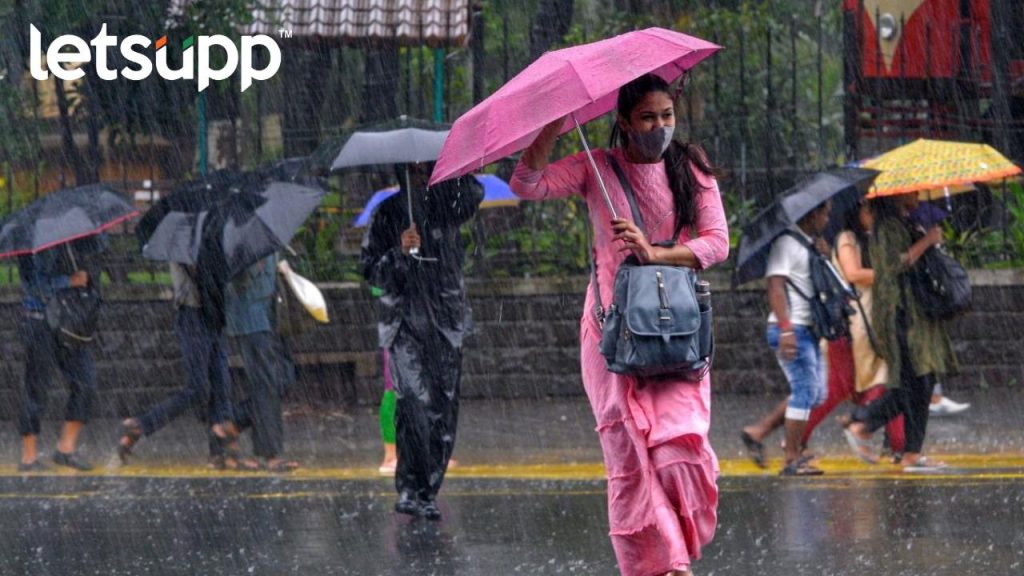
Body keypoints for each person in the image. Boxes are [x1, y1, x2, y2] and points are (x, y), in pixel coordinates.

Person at [511, 73, 728, 576]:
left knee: (680, 445)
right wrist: (553, 126)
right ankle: (665, 563)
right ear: (624, 123)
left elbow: (716, 243)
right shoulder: (596, 167)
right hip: (611, 333)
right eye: (648, 118)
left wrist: (656, 252)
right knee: (629, 456)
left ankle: (677, 548)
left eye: (666, 116)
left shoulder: (690, 168)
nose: (660, 127)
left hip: (676, 331)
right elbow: (526, 183)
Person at [360, 161, 483, 521]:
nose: (418, 174)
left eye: (425, 168)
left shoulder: (450, 205)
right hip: (403, 321)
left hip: (445, 320)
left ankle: (427, 491)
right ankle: (409, 486)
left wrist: (451, 169)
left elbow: (474, 193)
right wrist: (399, 252)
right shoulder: (387, 213)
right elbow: (370, 270)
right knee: (411, 401)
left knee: (442, 409)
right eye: (411, 169)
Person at [842, 193, 959, 472]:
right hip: (901, 316)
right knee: (913, 381)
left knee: (923, 379)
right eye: (912, 192)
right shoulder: (887, 227)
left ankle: (911, 452)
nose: (917, 196)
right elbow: (891, 265)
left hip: (915, 315)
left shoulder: (903, 222)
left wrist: (923, 236)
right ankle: (863, 422)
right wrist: (926, 241)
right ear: (897, 195)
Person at [799, 200, 905, 462]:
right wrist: (893, 272)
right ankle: (797, 439)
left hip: (871, 322)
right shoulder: (847, 238)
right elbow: (854, 273)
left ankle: (895, 444)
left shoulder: (871, 240)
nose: (873, 216)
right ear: (858, 213)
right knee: (872, 383)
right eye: (869, 211)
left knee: (877, 384)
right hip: (857, 325)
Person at [739, 200, 833, 477]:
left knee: (816, 394)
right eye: (825, 213)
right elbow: (775, 287)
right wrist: (786, 329)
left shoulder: (810, 244)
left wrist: (823, 256)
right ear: (812, 212)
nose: (827, 219)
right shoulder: (786, 243)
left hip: (810, 329)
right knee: (805, 392)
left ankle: (758, 431)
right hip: (793, 329)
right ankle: (791, 458)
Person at [117, 262, 237, 465]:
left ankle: (217, 453)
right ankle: (142, 425)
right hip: (193, 313)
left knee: (221, 384)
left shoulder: (210, 235)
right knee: (197, 389)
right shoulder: (184, 238)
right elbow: (198, 272)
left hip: (214, 313)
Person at [15, 238, 103, 471]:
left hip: (67, 322)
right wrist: (69, 281)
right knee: (37, 388)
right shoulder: (32, 242)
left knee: (86, 382)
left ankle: (65, 449)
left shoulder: (69, 240)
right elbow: (34, 286)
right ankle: (29, 457)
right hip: (39, 320)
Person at [208, 253, 300, 472]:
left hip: (273, 315)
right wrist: (252, 267)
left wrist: (282, 266)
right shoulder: (238, 233)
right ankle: (270, 453)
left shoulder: (264, 230)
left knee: (285, 377)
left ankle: (231, 424)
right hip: (251, 317)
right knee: (265, 383)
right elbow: (228, 275)